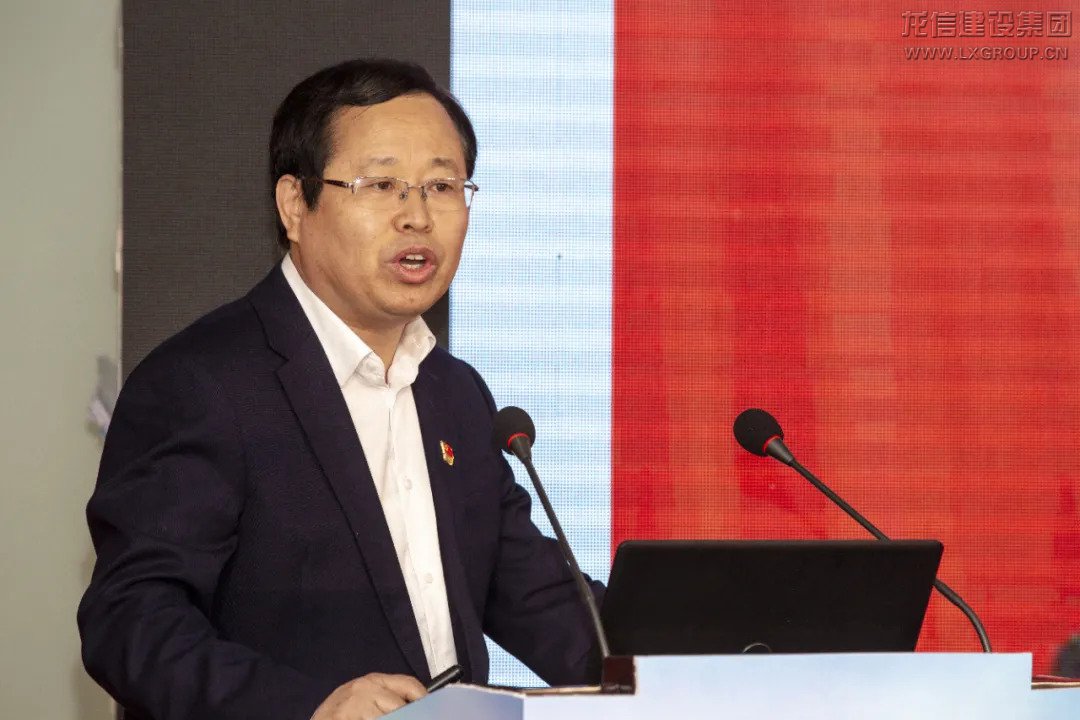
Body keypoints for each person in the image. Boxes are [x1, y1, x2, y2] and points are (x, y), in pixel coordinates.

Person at [78, 58, 603, 720]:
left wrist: (692, 652)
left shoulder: (455, 394)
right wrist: (311, 709)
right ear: (295, 205)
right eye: (381, 184)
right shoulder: (203, 383)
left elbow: (541, 600)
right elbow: (132, 620)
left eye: (442, 186)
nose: (417, 216)